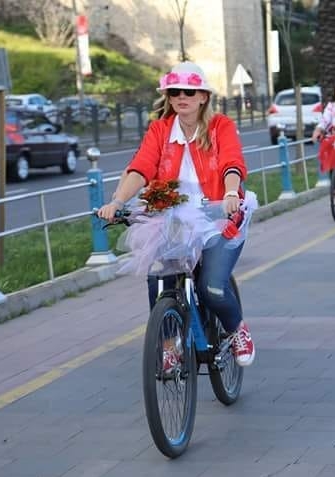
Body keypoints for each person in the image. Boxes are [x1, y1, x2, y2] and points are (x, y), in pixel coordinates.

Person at [96, 61, 255, 368]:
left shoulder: (220, 126)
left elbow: (231, 163)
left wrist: (232, 193)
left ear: (203, 97)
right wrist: (117, 201)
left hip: (216, 213)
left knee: (212, 287)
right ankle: (171, 344)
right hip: (171, 215)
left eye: (190, 91)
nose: (182, 96)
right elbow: (141, 167)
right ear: (168, 97)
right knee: (159, 281)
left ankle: (237, 329)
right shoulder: (159, 130)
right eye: (175, 91)